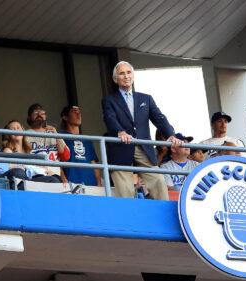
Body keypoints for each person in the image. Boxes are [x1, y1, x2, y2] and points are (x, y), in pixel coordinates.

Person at [101, 61, 182, 200]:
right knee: (125, 190)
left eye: (128, 72)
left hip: (144, 147)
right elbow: (110, 119)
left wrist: (171, 135)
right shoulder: (109, 100)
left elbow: (159, 118)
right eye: (121, 73)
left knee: (158, 182)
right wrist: (120, 131)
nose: (126, 76)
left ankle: (161, 218)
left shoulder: (146, 98)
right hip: (121, 147)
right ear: (115, 79)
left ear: (133, 75)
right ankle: (129, 220)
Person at [59, 105, 101, 186]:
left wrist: (99, 183)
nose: (78, 115)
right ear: (65, 117)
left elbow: (93, 163)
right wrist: (64, 180)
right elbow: (57, 162)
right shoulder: (60, 137)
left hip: (91, 184)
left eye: (79, 112)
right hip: (71, 184)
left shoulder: (87, 139)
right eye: (74, 112)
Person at [26, 103, 70, 180]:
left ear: (46, 116)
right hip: (34, 176)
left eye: (42, 112)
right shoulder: (24, 135)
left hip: (54, 176)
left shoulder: (54, 133)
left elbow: (66, 156)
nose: (39, 114)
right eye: (36, 113)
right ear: (29, 118)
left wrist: (56, 135)